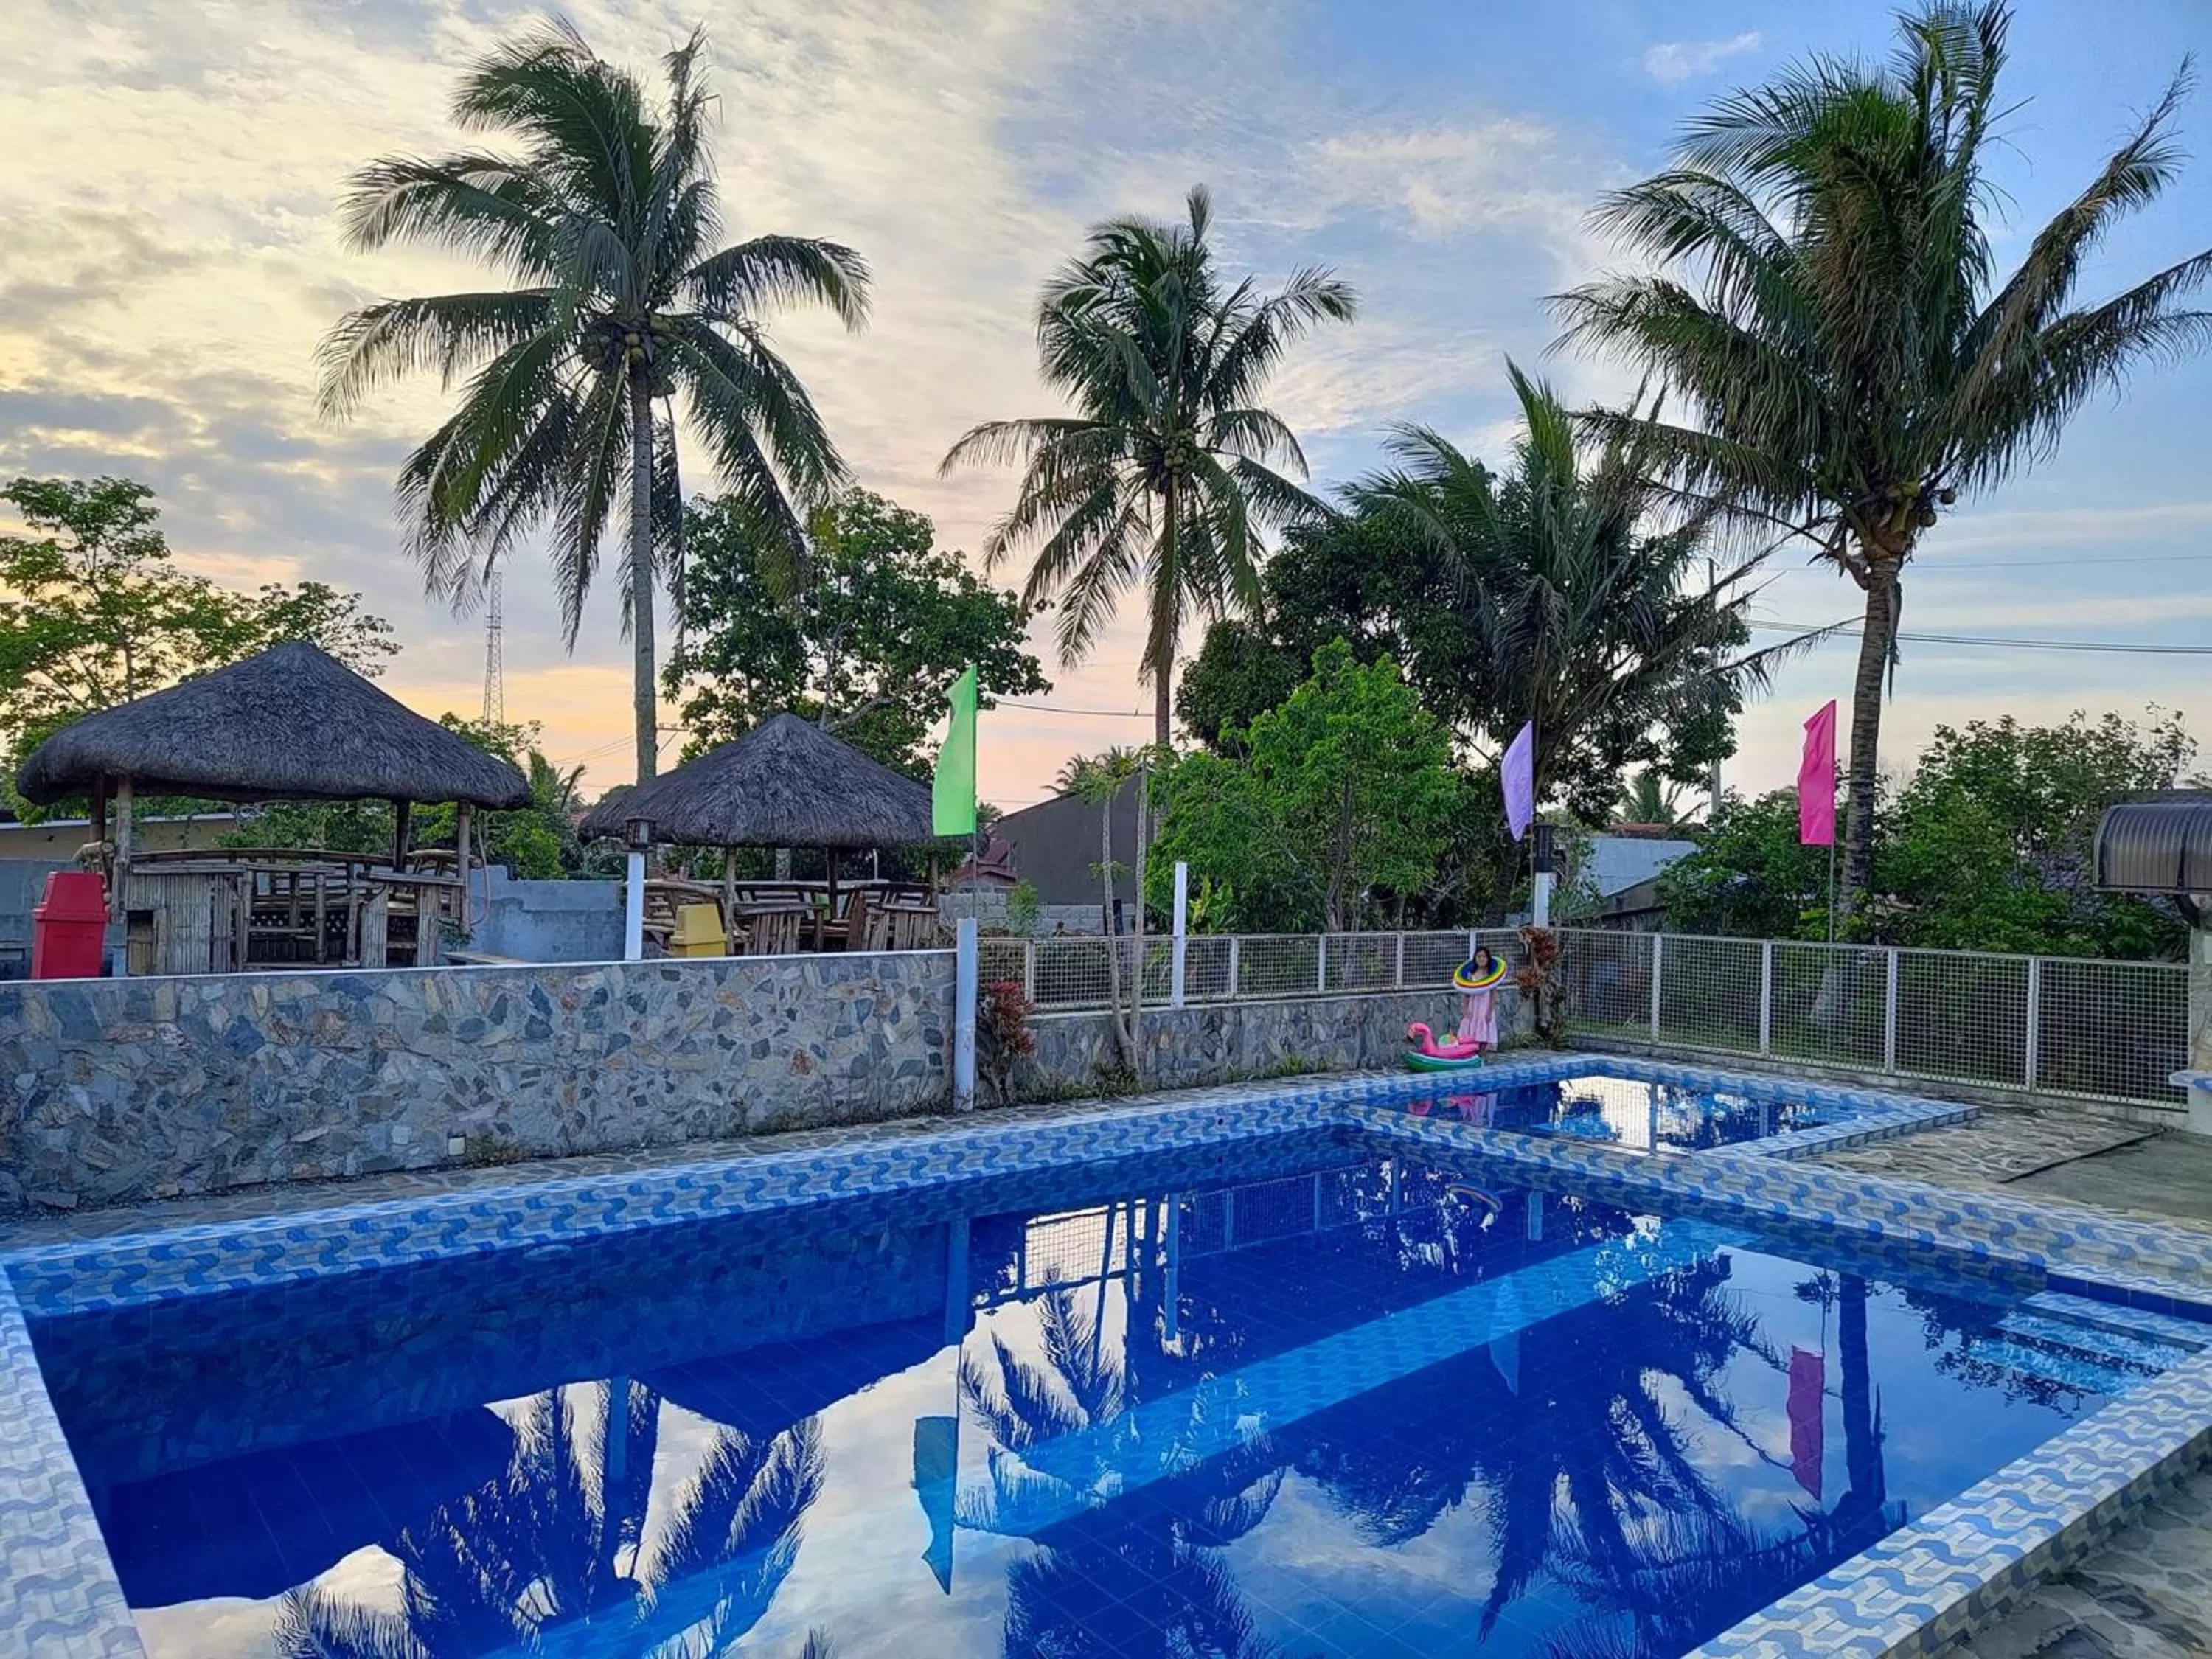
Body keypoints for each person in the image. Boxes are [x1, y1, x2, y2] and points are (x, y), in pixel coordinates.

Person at [1454, 946, 1506, 1051]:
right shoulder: (1470, 974)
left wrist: (1490, 1011)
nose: (1481, 959)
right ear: (1475, 958)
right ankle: (1471, 1053)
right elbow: (1467, 993)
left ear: (1488, 958)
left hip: (1485, 1006)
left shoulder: (1491, 975)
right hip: (1473, 1005)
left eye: (1484, 956)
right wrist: (1465, 1009)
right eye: (1479, 956)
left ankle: (1482, 1055)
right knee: (1470, 1029)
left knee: (1484, 1030)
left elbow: (1493, 994)